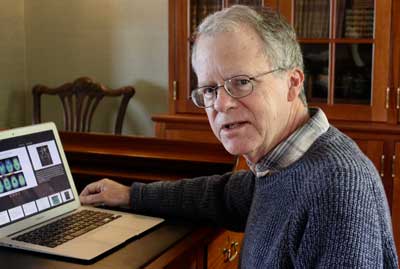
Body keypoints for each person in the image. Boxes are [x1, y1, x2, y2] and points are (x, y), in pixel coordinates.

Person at [80, 5, 398, 268]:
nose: (221, 104)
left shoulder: (336, 186)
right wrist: (130, 195)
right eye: (209, 89)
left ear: (293, 83)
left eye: (241, 82)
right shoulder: (279, 167)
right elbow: (223, 194)